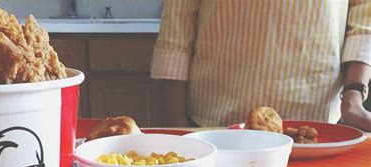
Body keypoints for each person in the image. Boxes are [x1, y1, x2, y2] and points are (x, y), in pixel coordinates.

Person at [151, 0, 371, 131]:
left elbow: (363, 12)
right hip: (214, 124)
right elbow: (177, 17)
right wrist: (175, 124)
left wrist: (354, 96)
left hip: (318, 127)